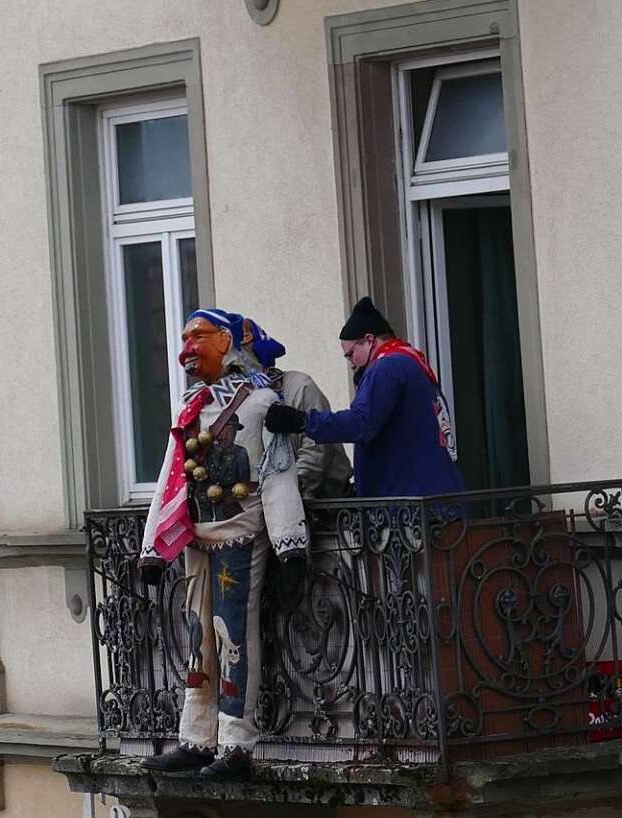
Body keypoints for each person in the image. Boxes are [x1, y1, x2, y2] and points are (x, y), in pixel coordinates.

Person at [138, 308, 307, 781]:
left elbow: (277, 476)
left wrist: (290, 545)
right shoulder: (190, 404)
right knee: (198, 638)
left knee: (234, 637)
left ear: (227, 341)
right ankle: (195, 736)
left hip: (238, 535)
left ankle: (236, 743)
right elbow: (170, 478)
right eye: (186, 336)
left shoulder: (260, 403)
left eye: (199, 336)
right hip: (197, 539)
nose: (188, 347)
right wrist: (154, 547)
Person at [264, 297, 465, 499]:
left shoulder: (386, 368)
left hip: (408, 502)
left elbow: (360, 423)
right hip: (435, 496)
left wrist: (301, 421)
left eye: (350, 354)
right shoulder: (410, 360)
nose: (351, 364)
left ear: (369, 340)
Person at [242, 318, 352, 498]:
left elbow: (316, 448)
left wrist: (288, 492)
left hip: (323, 504)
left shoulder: (299, 386)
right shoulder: (235, 400)